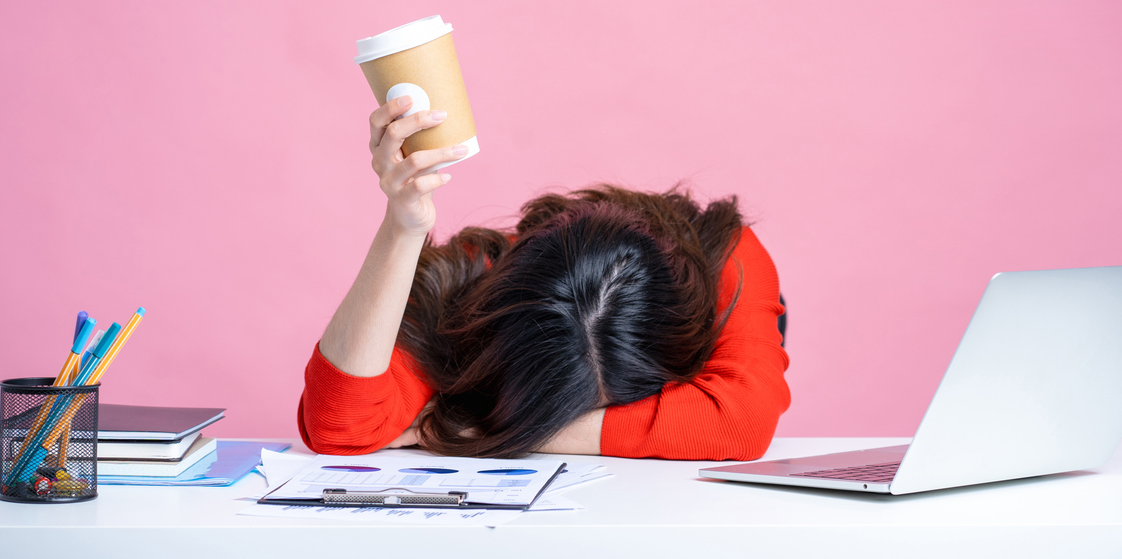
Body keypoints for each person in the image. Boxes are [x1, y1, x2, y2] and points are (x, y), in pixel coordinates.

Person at [298, 96, 790, 460]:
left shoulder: (725, 255)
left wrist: (487, 430)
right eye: (553, 403)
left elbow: (743, 424)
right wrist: (403, 229)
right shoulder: (466, 286)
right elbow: (342, 426)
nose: (572, 416)